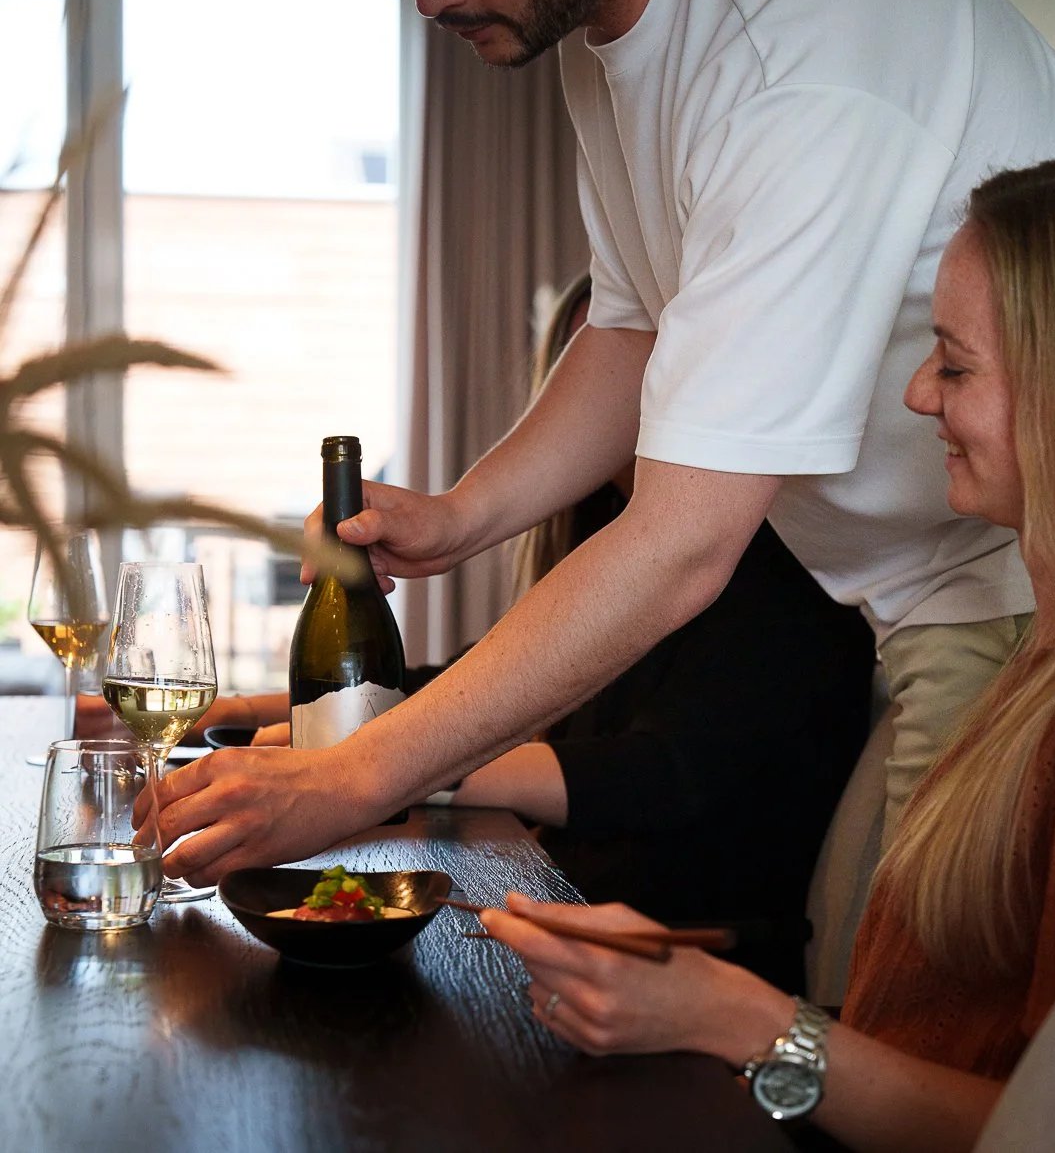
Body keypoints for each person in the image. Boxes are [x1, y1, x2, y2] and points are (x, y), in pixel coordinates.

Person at [148, 0, 1055, 886]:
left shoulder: (792, 65)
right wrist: (463, 516)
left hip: (1015, 578)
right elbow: (633, 323)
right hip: (906, 591)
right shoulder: (612, 24)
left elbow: (681, 544)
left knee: (921, 1004)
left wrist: (356, 776)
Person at [481, 153, 1055, 1149]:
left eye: (957, 364)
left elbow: (1041, 1130)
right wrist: (690, 1001)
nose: (920, 396)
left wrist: (732, 1018)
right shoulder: (1035, 677)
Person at [194, 271, 876, 990]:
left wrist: (371, 767)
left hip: (685, 961)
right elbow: (459, 683)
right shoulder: (608, 546)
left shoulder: (785, 564)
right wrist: (236, 714)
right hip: (574, 913)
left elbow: (656, 774)